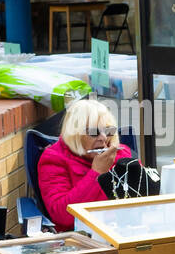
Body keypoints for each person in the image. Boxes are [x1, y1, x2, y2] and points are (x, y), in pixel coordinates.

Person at [37, 99, 134, 231]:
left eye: (109, 130)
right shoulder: (53, 159)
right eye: (94, 132)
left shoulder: (120, 153)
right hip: (80, 235)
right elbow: (62, 216)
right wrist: (96, 173)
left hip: (123, 229)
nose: (104, 138)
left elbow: (141, 199)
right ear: (75, 134)